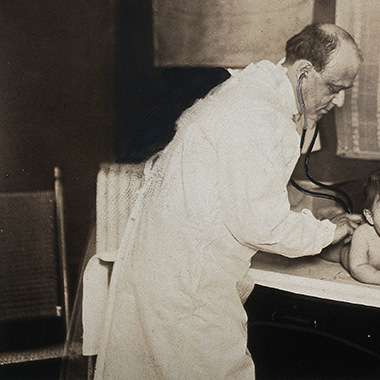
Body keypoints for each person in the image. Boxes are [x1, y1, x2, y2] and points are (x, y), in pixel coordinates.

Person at [90, 23, 365, 379]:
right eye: (334, 87)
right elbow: (263, 226)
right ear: (303, 72)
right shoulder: (263, 117)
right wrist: (329, 232)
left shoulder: (249, 91)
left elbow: (242, 191)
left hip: (169, 275)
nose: (339, 100)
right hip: (189, 290)